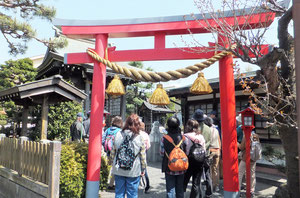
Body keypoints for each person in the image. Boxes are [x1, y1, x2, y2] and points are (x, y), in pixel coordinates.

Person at [110, 114, 146, 198]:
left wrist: (111, 162)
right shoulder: (139, 138)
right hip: (133, 170)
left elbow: (113, 151)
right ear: (137, 125)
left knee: (119, 193)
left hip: (118, 168)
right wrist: (143, 168)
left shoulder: (118, 134)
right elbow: (143, 156)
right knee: (132, 194)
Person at [160, 116, 186, 198]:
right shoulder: (183, 137)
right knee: (180, 189)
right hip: (181, 166)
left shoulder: (164, 138)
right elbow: (186, 151)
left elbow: (161, 153)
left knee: (170, 190)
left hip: (169, 166)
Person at [183, 119, 206, 198]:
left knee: (184, 181)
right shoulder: (201, 136)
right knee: (196, 182)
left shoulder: (184, 136)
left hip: (188, 161)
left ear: (188, 126)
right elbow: (204, 149)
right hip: (199, 161)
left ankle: (181, 195)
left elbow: (183, 151)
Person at [193, 109, 213, 198]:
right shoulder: (209, 128)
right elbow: (209, 141)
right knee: (207, 174)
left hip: (197, 155)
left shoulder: (195, 129)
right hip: (207, 154)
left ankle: (199, 194)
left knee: (198, 176)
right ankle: (209, 192)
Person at [103, 116, 123, 190]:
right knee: (114, 168)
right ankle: (111, 184)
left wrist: (105, 147)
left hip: (108, 151)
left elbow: (102, 139)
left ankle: (105, 181)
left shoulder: (108, 130)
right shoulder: (119, 131)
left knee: (108, 166)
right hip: (115, 153)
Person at [238, 131, 260, 196]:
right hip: (253, 158)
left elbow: (241, 147)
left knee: (240, 173)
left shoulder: (246, 136)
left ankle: (238, 189)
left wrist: (237, 144)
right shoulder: (256, 136)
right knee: (252, 174)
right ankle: (252, 190)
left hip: (246, 158)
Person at [204, 117, 221, 192]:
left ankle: (210, 185)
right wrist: (220, 150)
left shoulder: (206, 131)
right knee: (216, 169)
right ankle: (216, 186)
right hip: (217, 150)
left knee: (209, 169)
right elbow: (219, 140)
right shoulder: (216, 130)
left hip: (210, 151)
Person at [140, 122, 151, 193]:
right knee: (144, 169)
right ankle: (147, 184)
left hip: (137, 154)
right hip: (144, 153)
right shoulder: (146, 134)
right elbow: (149, 145)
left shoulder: (136, 134)